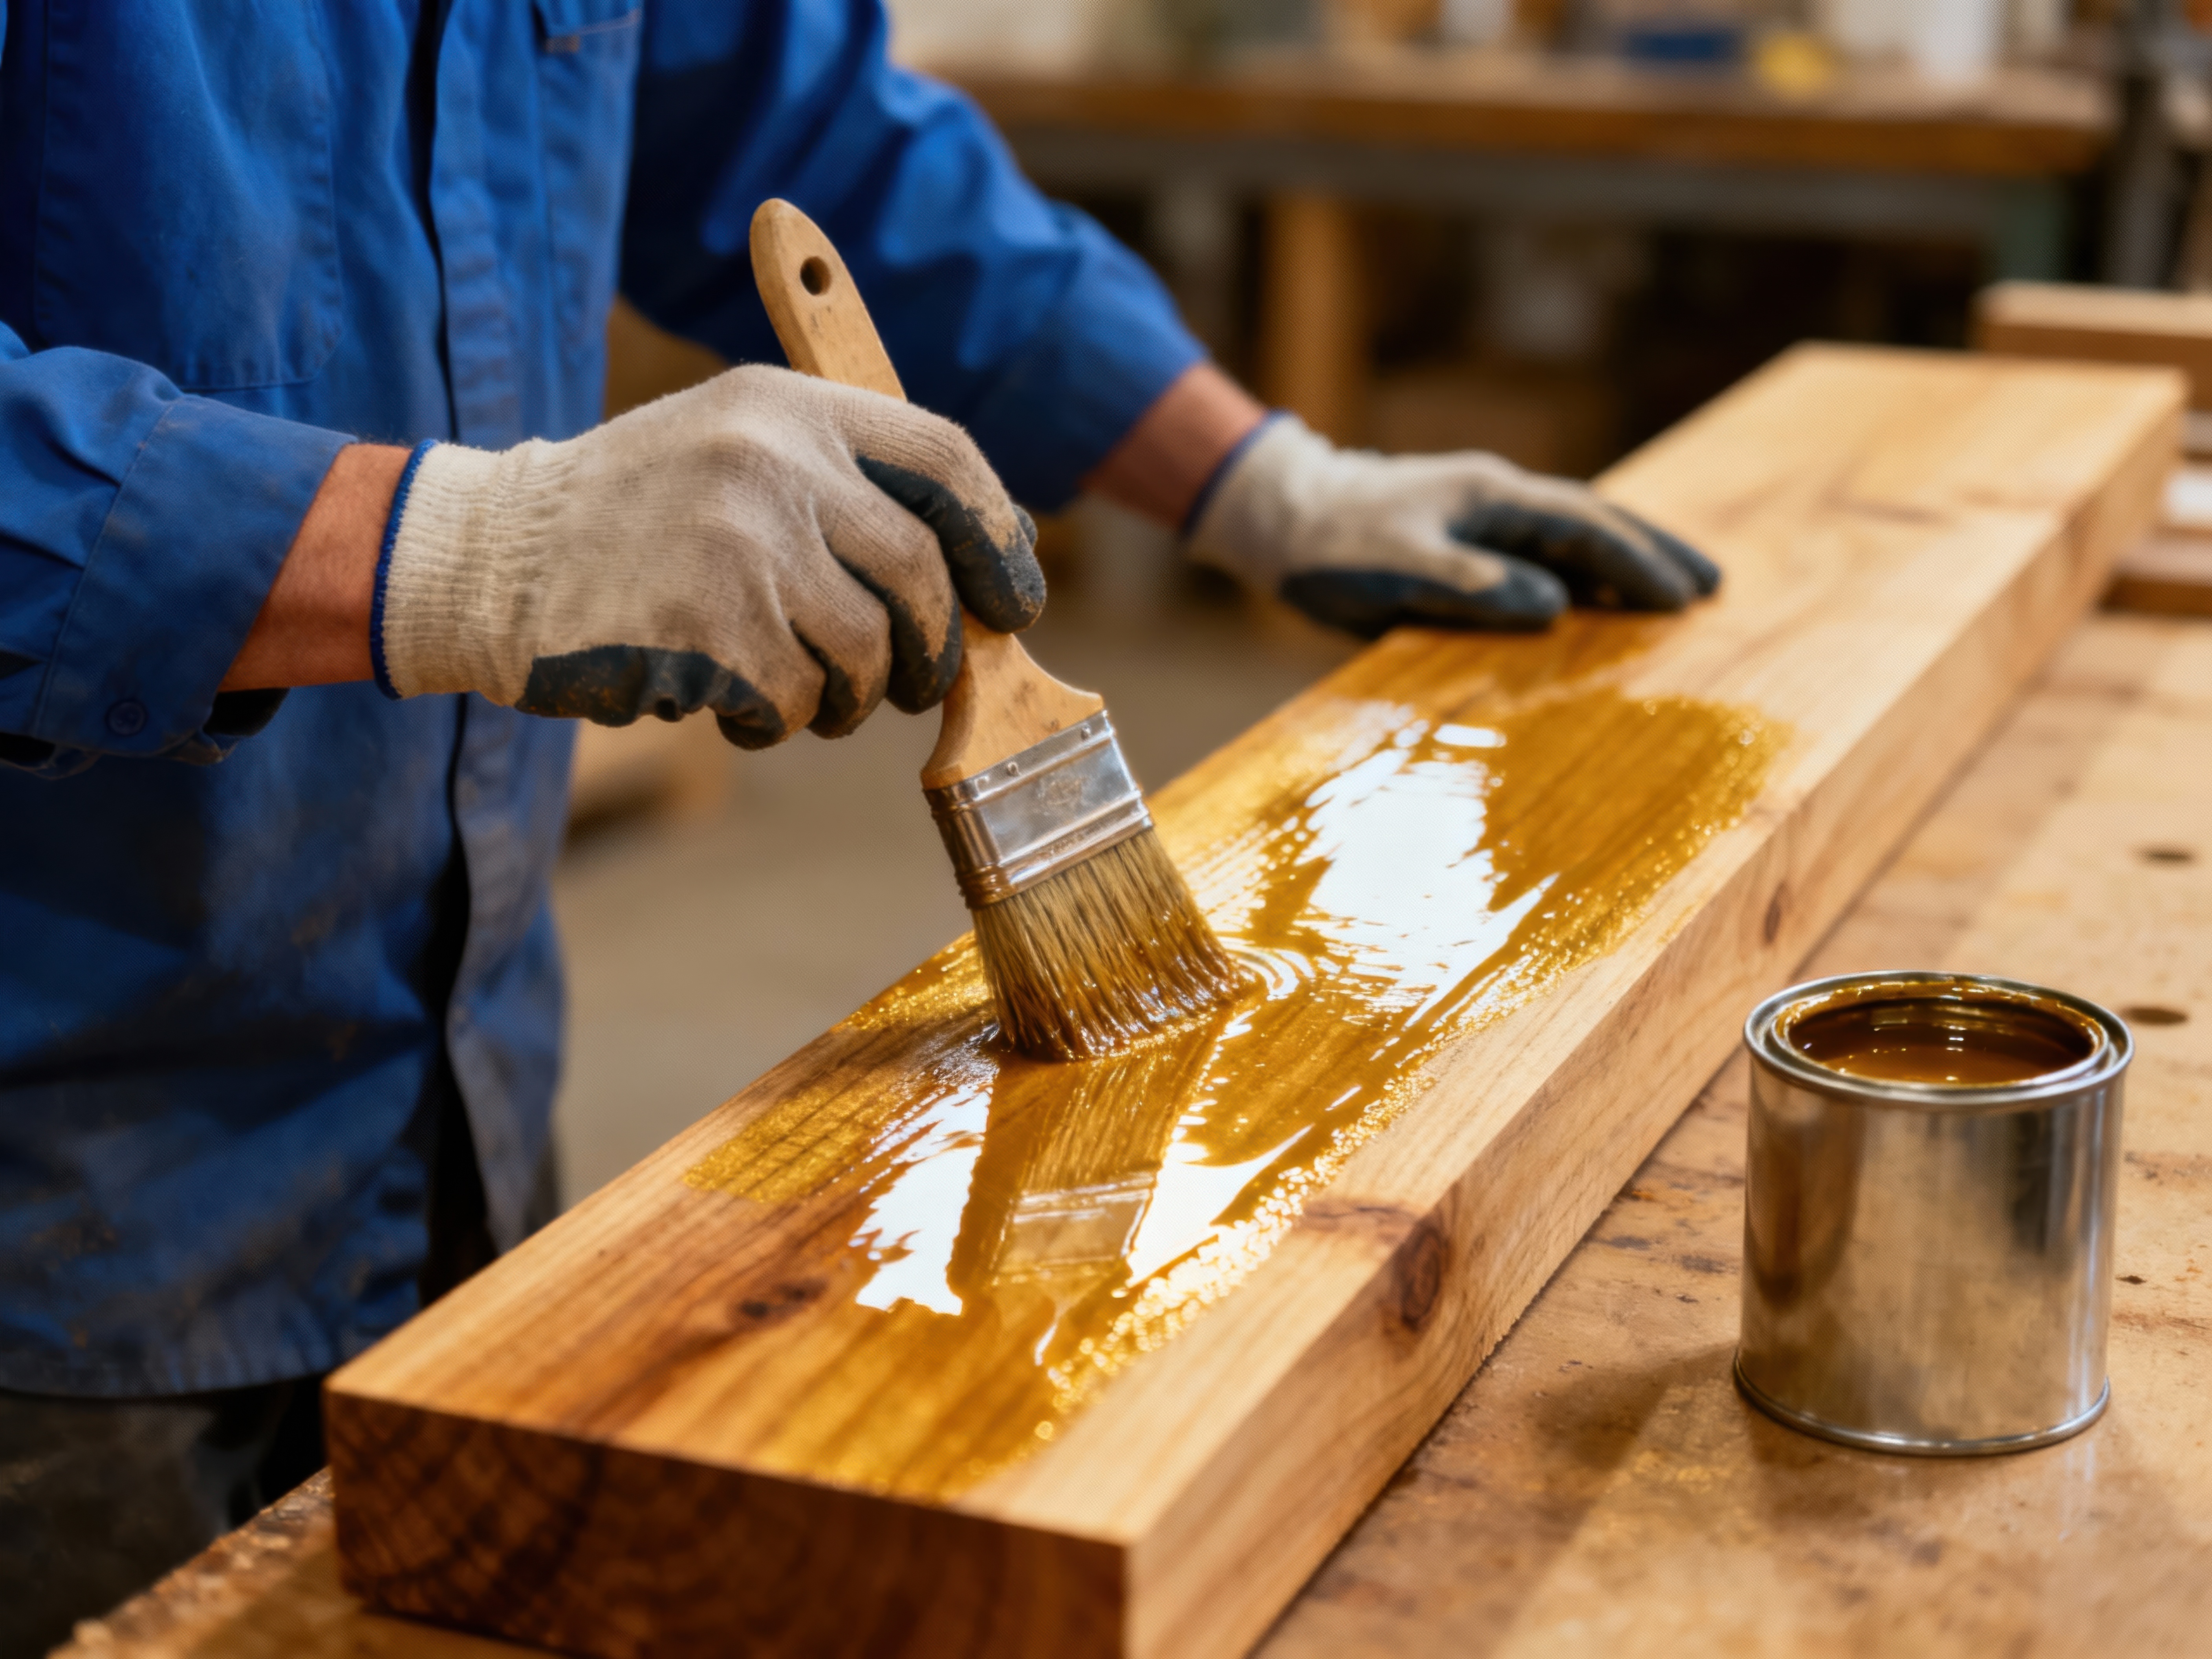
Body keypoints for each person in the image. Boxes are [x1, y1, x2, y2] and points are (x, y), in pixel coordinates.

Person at [0, 2, 1715, 1648]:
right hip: (58, 1213)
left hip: (450, 1102)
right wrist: (451, 551)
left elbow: (807, 136)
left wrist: (1260, 479)